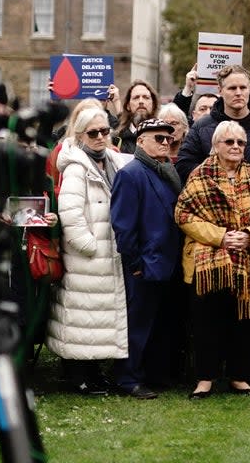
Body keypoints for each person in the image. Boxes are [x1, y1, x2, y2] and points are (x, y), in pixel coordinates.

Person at [176, 120, 250, 398]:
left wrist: (249, 235)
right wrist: (221, 236)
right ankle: (205, 379)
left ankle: (239, 377)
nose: (235, 147)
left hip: (248, 259)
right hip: (208, 260)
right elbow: (184, 215)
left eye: (240, 142)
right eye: (229, 142)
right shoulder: (200, 175)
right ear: (216, 146)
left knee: (244, 321)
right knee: (206, 321)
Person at [46, 106, 131, 395]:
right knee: (80, 315)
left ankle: (94, 372)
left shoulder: (114, 160)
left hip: (111, 251)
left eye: (105, 131)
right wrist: (88, 246)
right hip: (88, 255)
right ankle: (77, 374)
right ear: (81, 134)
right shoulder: (75, 166)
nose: (100, 137)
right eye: (93, 132)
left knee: (99, 317)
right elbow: (70, 212)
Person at [109, 118, 184, 400]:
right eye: (158, 138)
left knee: (159, 325)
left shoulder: (167, 171)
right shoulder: (131, 174)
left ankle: (153, 374)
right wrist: (135, 265)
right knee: (137, 325)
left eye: (168, 139)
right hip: (144, 264)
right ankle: (128, 378)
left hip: (167, 262)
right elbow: (123, 226)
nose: (165, 143)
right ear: (140, 141)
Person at [176, 65, 250, 183]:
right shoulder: (201, 127)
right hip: (216, 198)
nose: (238, 93)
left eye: (243, 88)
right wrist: (218, 177)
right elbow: (184, 165)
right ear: (220, 90)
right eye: (232, 88)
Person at [116, 80, 160, 154]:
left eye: (146, 97)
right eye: (136, 97)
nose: (141, 101)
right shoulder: (117, 138)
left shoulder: (163, 137)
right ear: (128, 106)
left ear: (153, 105)